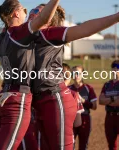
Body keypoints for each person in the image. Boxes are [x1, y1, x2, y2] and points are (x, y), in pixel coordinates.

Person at [0, 0, 60, 149]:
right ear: (16, 13)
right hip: (18, 98)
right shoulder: (20, 32)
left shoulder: (2, 37)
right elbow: (43, 19)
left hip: (2, 95)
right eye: (24, 9)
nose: (27, 12)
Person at [28, 3, 119, 150]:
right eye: (32, 10)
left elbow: (86, 29)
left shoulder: (50, 33)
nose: (31, 13)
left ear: (49, 18)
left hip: (55, 99)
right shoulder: (26, 37)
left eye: (36, 11)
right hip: (38, 102)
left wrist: (116, 17)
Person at [70, 66, 97, 150]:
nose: (75, 75)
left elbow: (94, 106)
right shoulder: (68, 89)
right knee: (70, 145)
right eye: (73, 73)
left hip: (85, 118)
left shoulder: (88, 88)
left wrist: (83, 100)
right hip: (72, 120)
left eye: (77, 73)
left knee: (83, 146)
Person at [99, 60, 119, 150]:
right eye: (113, 68)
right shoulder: (107, 85)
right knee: (111, 145)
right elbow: (101, 101)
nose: (115, 70)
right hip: (109, 117)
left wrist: (108, 100)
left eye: (117, 68)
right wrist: (113, 98)